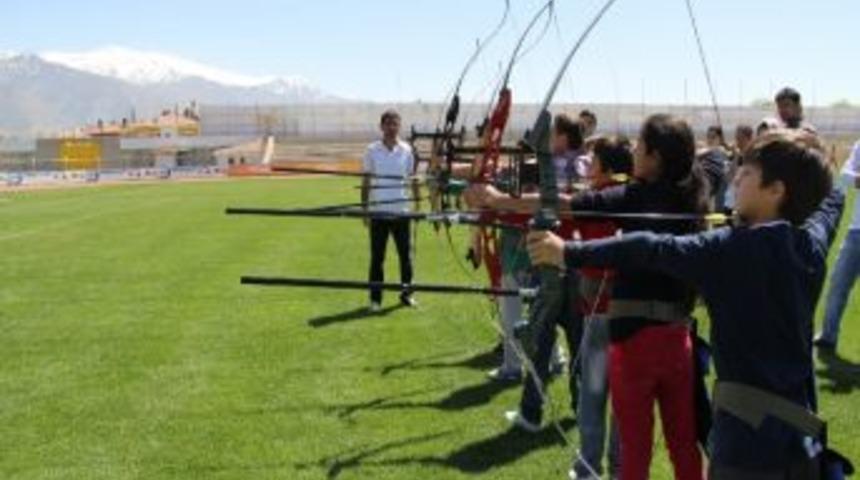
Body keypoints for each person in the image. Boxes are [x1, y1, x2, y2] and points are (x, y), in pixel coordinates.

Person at [527, 130, 844, 479]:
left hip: (745, 450)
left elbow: (649, 247)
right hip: (801, 443)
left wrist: (567, 251)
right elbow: (832, 204)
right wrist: (812, 156)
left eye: (747, 172)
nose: (736, 178)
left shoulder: (729, 250)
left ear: (776, 190)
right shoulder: (811, 244)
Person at [472, 114, 708, 479]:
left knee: (635, 449)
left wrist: (498, 199)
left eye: (641, 146)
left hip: (635, 343)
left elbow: (564, 204)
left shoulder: (635, 196)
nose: (634, 152)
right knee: (684, 444)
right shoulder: (691, 197)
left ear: (656, 157)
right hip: (679, 341)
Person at [466, 114, 586, 431]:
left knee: (570, 344)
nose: (543, 139)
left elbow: (554, 201)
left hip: (572, 267)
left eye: (549, 134)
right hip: (555, 267)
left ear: (562, 136)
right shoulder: (555, 163)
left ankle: (574, 409)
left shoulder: (575, 164)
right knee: (543, 342)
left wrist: (499, 198)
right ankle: (535, 412)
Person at [569, 136, 631, 480]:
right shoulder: (633, 195)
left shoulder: (597, 201)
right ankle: (618, 469)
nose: (587, 167)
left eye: (593, 163)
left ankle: (589, 467)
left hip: (601, 314)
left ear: (606, 169)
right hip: (629, 316)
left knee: (594, 393)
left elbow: (563, 221)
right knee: (622, 397)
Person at [361, 109, 419, 312]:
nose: (392, 128)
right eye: (388, 124)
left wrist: (417, 204)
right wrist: (365, 209)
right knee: (377, 258)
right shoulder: (371, 150)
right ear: (381, 126)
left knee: (406, 257)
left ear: (399, 127)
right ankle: (375, 300)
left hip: (402, 212)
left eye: (395, 124)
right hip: (378, 213)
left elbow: (412, 179)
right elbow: (366, 181)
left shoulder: (407, 150)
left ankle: (407, 294)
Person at [815, 140, 860, 352]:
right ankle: (828, 336)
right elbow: (843, 176)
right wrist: (857, 178)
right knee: (838, 282)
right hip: (856, 230)